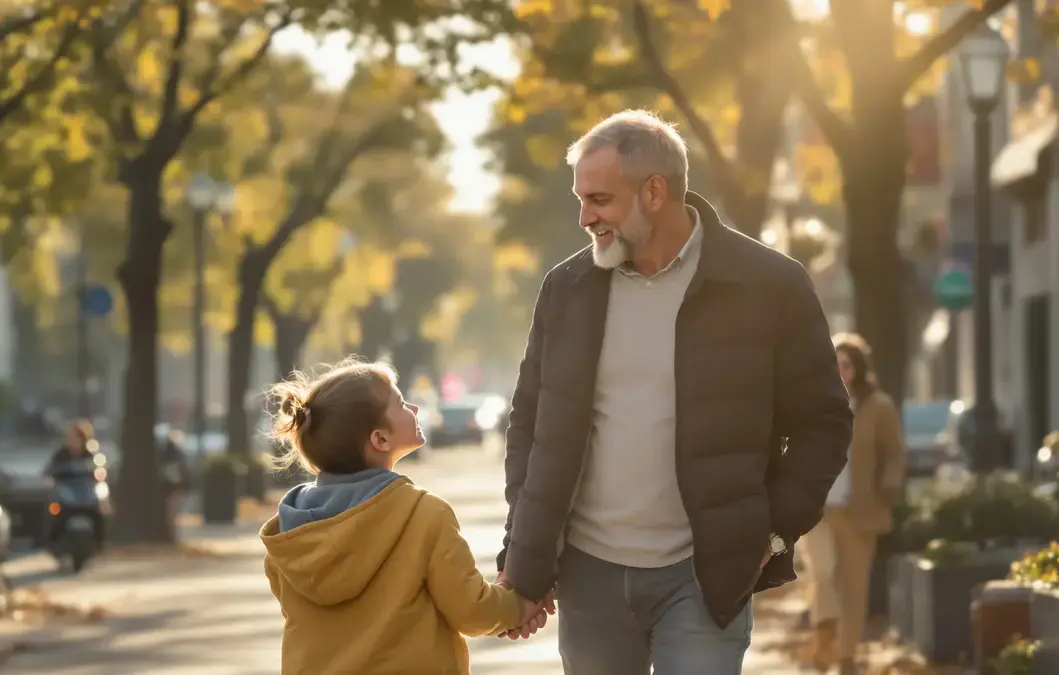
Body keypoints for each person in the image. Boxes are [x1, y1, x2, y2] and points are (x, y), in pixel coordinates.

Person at [497, 109, 853, 674]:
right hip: (589, 578)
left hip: (706, 577)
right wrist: (523, 555)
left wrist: (770, 533)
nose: (585, 217)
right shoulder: (567, 289)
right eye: (581, 200)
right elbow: (530, 424)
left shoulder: (770, 285)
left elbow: (823, 424)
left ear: (655, 192)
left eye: (600, 200)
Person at [259, 358, 546, 674]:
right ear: (380, 439)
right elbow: (471, 609)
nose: (415, 408)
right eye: (400, 403)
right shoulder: (423, 514)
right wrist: (519, 605)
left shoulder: (292, 531)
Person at [799, 333, 906, 674]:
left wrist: (889, 485)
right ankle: (825, 629)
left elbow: (894, 453)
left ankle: (846, 656)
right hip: (816, 509)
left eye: (845, 364)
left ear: (858, 368)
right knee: (823, 570)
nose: (839, 370)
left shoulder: (878, 406)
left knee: (855, 586)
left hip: (859, 509)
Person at [42, 419, 104, 550]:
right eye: (72, 437)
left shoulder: (91, 454)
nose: (74, 441)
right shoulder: (61, 454)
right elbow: (49, 472)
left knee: (101, 512)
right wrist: (50, 481)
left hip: (86, 495)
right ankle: (53, 542)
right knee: (54, 512)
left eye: (78, 438)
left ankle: (99, 543)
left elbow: (101, 471)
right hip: (65, 495)